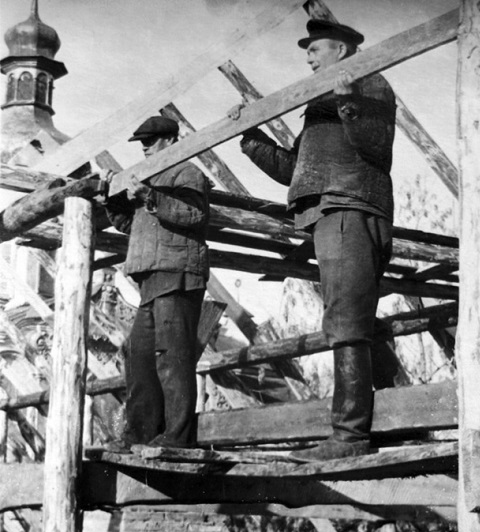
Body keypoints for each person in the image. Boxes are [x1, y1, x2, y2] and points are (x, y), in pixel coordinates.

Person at [229, 19, 396, 461]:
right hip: (330, 210)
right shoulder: (322, 100)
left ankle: (349, 437)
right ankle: (391, 423)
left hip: (350, 206)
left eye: (315, 48)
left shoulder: (370, 83)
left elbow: (378, 146)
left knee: (347, 319)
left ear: (341, 50)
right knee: (352, 314)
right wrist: (251, 137)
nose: (308, 57)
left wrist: (349, 102)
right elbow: (294, 170)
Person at [101, 116, 210, 452]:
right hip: (151, 280)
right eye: (143, 142)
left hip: (177, 275)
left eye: (151, 140)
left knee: (172, 357)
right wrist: (112, 199)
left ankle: (177, 438)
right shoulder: (150, 178)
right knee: (139, 357)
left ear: (171, 140)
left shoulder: (186, 173)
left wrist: (150, 195)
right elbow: (131, 226)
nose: (145, 147)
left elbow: (194, 214)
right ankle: (139, 435)